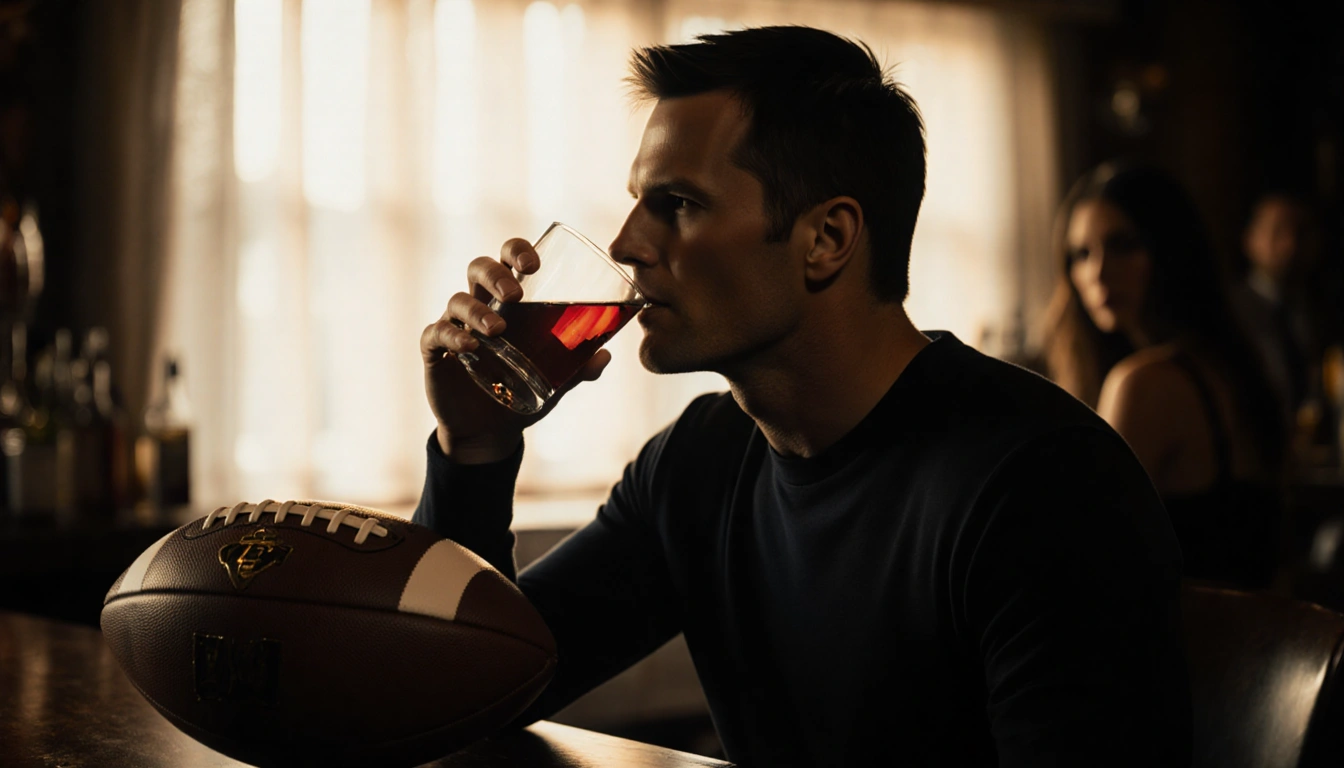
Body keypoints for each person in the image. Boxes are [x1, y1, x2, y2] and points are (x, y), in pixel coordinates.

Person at [417, 27, 1190, 766]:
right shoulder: (699, 463)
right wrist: (474, 449)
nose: (625, 244)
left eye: (679, 203)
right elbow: (469, 692)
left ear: (826, 239)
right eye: (638, 201)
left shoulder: (1043, 484)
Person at [1043, 162, 1286, 590]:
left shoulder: (1146, 382)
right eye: (1080, 254)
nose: (1098, 272)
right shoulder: (1224, 362)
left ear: (1171, 251)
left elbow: (1080, 548)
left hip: (1193, 633)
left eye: (1123, 245)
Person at [1229, 192, 1323, 439]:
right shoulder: (1231, 313)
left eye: (1300, 232)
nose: (1290, 244)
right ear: (1250, 240)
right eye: (1277, 232)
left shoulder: (1324, 311)